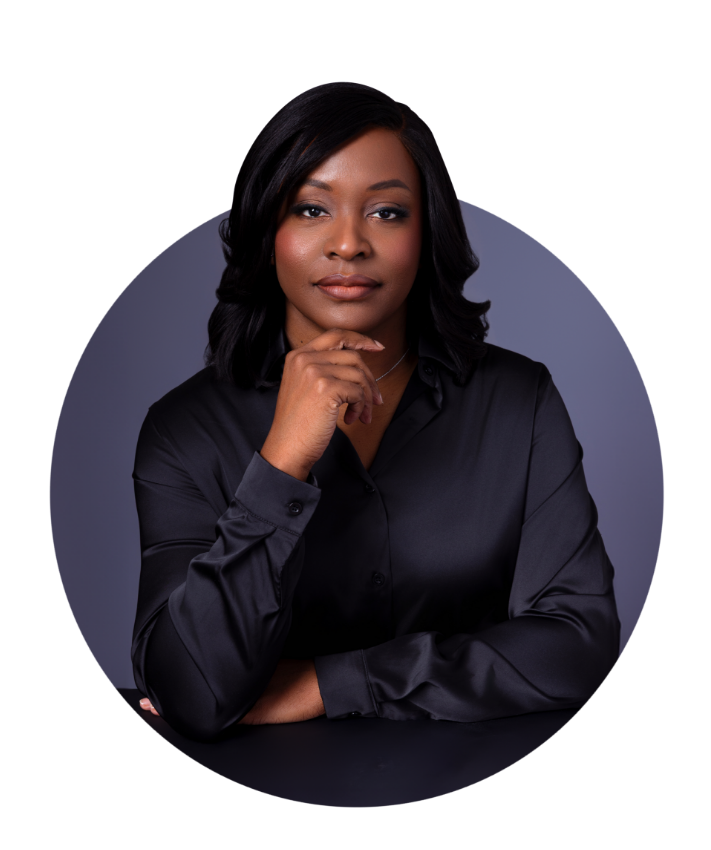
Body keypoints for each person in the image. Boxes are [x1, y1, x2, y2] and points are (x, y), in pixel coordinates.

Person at [131, 82, 621, 742]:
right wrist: (281, 465)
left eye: (387, 213)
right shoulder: (183, 429)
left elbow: (581, 648)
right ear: (265, 229)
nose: (348, 244)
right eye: (310, 209)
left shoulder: (517, 400)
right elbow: (190, 691)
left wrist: (331, 685)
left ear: (428, 231)